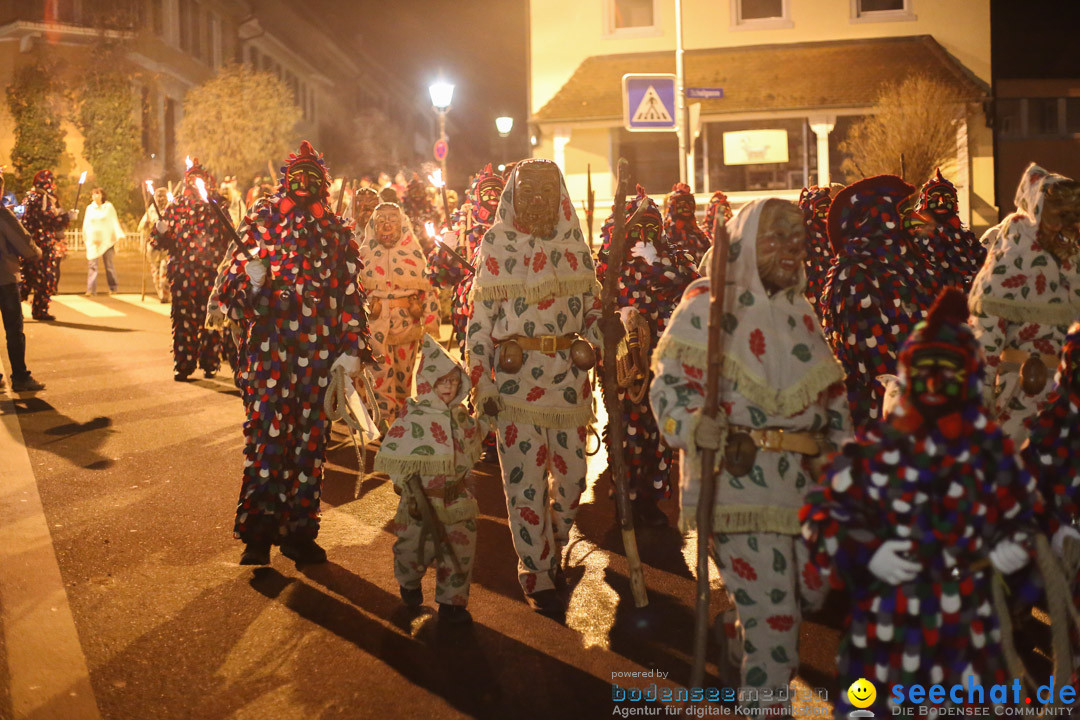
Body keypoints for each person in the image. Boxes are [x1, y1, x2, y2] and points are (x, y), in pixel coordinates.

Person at [650, 198, 850, 717]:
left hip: (802, 490)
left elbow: (831, 401)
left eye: (795, 238)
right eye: (773, 238)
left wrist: (844, 459)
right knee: (779, 624)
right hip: (737, 488)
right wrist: (694, 425)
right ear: (743, 245)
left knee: (805, 596)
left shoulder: (801, 312)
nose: (789, 249)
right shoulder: (706, 310)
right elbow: (667, 391)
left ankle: (738, 632)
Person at [802, 288, 1043, 716]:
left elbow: (1028, 519)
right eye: (925, 370)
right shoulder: (878, 447)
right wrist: (869, 554)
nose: (934, 382)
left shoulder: (991, 452)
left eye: (947, 371)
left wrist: (1011, 552)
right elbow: (822, 517)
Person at [216, 140, 375, 565]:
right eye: (297, 176)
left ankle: (299, 531)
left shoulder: (337, 231)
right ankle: (258, 535)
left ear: (323, 184)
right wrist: (250, 282)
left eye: (313, 177)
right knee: (268, 440)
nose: (304, 184)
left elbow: (350, 295)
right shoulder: (261, 221)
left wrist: (352, 348)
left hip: (320, 355)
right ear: (286, 179)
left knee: (310, 445)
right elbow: (228, 291)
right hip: (270, 351)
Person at [466, 158, 604, 617]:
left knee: (570, 482)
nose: (538, 197)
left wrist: (600, 339)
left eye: (547, 188)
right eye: (529, 189)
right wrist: (480, 377)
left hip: (569, 385)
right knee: (523, 484)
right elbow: (480, 322)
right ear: (514, 193)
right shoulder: (496, 243)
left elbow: (593, 313)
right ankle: (537, 569)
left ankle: (556, 543)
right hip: (514, 385)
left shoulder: (575, 244)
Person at [595, 185, 698, 526]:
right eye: (636, 230)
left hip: (661, 360)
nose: (643, 237)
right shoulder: (609, 267)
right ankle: (626, 494)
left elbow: (692, 282)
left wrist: (657, 261)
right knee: (625, 427)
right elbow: (592, 305)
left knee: (658, 430)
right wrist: (615, 319)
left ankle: (652, 499)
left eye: (650, 229)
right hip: (624, 361)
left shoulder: (674, 258)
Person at [969, 162, 1080, 445]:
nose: (1072, 223)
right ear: (1040, 212)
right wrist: (980, 396)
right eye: (1062, 214)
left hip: (1070, 397)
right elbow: (987, 333)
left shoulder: (1074, 257)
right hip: (1022, 393)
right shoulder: (1011, 257)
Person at [375, 334, 481, 624]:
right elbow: (395, 451)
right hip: (419, 501)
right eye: (441, 381)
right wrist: (404, 479)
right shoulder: (413, 416)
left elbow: (474, 443)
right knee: (413, 550)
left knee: (459, 551)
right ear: (427, 382)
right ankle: (409, 581)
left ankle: (452, 603)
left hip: (456, 497)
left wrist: (487, 419)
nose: (448, 387)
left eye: (454, 381)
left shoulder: (461, 417)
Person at [819, 175, 930, 433]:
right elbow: (869, 356)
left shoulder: (905, 264)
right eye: (902, 211)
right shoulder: (852, 272)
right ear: (881, 216)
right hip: (877, 413)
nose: (912, 217)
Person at [357, 202, 440, 422]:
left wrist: (431, 322)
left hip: (406, 323)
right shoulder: (363, 254)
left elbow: (428, 291)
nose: (386, 226)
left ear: (402, 224)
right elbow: (353, 292)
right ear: (373, 226)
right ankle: (384, 418)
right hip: (375, 324)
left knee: (404, 374)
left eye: (392, 221)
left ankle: (401, 417)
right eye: (381, 221)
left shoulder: (413, 252)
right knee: (380, 372)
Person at [427, 163, 504, 357]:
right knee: (474, 359)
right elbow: (439, 276)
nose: (493, 196)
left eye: (498, 191)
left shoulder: (513, 224)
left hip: (506, 307)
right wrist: (447, 249)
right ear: (477, 195)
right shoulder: (460, 223)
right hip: (467, 308)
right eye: (487, 191)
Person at [0, 174, 45, 391]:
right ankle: (19, 376)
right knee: (14, 329)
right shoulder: (3, 215)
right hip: (4, 279)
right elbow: (24, 243)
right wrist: (37, 251)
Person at [20, 169, 75, 321]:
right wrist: (66, 217)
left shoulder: (29, 197)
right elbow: (47, 220)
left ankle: (12, 308)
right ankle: (39, 310)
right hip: (41, 244)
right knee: (46, 278)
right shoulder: (41, 198)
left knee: (27, 278)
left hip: (28, 244)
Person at [82, 187, 123, 296]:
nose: (95, 196)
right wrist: (85, 236)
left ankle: (113, 287)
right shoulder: (90, 208)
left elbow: (113, 221)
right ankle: (91, 289)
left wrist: (117, 235)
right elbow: (86, 223)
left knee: (109, 265)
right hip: (94, 241)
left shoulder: (108, 207)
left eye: (97, 194)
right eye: (93, 194)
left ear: (102, 195)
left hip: (107, 240)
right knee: (92, 265)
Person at [798, 185, 832, 314]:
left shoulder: (831, 230)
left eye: (828, 208)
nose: (826, 212)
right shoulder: (803, 234)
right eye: (821, 209)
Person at [138, 187, 171, 302]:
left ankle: (165, 294)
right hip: (154, 247)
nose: (161, 199)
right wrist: (146, 225)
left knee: (165, 271)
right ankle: (160, 293)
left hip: (167, 247)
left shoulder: (171, 209)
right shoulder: (151, 210)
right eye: (158, 196)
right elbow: (141, 227)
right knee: (156, 273)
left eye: (163, 196)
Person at [663, 182, 710, 264]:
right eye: (682, 204)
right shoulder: (666, 232)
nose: (687, 207)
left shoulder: (696, 230)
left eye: (690, 204)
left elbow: (707, 248)